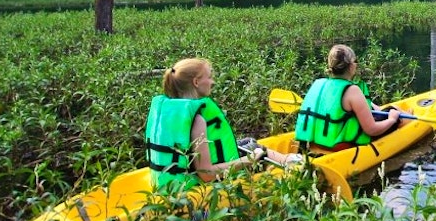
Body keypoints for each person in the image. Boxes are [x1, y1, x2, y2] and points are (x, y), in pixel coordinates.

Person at [145, 57, 299, 190]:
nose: (212, 81)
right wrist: (248, 160)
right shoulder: (197, 120)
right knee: (254, 149)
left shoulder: (171, 113)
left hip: (170, 182)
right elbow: (206, 174)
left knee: (247, 143)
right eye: (209, 77)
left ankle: (288, 159)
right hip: (197, 187)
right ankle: (293, 164)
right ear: (196, 82)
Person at [294, 44, 405, 151]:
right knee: (393, 111)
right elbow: (371, 129)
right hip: (339, 146)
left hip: (316, 142)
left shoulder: (320, 84)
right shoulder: (352, 91)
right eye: (355, 61)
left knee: (385, 110)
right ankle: (405, 121)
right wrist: (392, 119)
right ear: (351, 66)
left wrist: (375, 107)